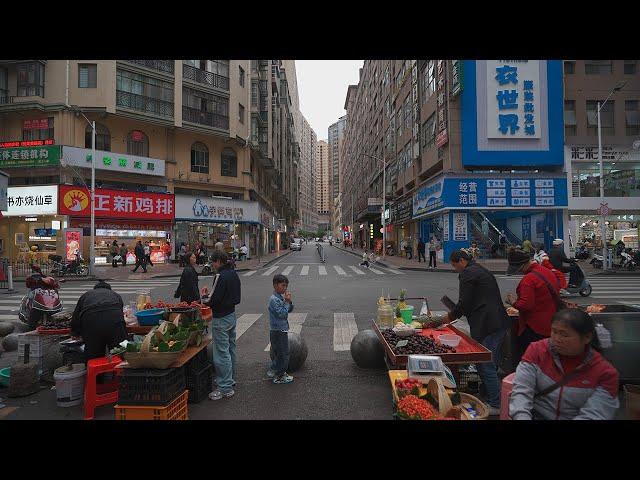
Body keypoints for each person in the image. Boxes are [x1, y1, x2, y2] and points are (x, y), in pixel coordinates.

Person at [509, 308, 619, 420]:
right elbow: (521, 391)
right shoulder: (537, 350)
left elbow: (595, 415)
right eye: (554, 332)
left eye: (564, 335)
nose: (557, 339)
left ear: (587, 337)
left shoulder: (605, 373)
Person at [447, 249, 511, 416]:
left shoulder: (468, 273)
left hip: (488, 323)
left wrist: (450, 316)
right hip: (496, 321)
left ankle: (496, 404)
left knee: (485, 363)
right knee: (487, 362)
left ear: (461, 260)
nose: (455, 269)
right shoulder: (479, 269)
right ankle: (490, 395)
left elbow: (464, 302)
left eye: (455, 266)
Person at [505, 247, 561, 363]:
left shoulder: (528, 280)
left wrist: (513, 302)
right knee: (547, 360)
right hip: (551, 322)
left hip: (534, 327)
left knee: (533, 361)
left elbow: (525, 305)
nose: (518, 271)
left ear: (522, 265)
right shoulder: (546, 271)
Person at [206, 250, 242, 400]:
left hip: (221, 317)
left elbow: (213, 298)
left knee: (221, 353)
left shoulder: (220, 275)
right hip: (231, 315)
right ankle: (230, 379)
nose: (213, 265)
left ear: (219, 261)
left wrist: (204, 298)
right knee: (230, 348)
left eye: (213, 262)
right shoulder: (233, 273)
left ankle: (225, 387)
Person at [70, 280, 127, 361]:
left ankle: (96, 371)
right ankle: (120, 370)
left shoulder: (86, 295)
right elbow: (120, 313)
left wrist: (75, 332)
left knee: (93, 354)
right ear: (109, 289)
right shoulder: (115, 295)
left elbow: (76, 315)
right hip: (114, 322)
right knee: (119, 351)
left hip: (91, 322)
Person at [267, 274, 295, 384]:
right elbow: (282, 314)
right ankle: (280, 375)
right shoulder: (274, 299)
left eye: (286, 286)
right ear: (275, 285)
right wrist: (287, 302)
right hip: (278, 330)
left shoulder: (280, 297)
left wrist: (289, 302)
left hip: (280, 329)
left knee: (280, 353)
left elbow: (289, 310)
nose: (285, 288)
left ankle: (273, 370)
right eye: (283, 285)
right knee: (283, 353)